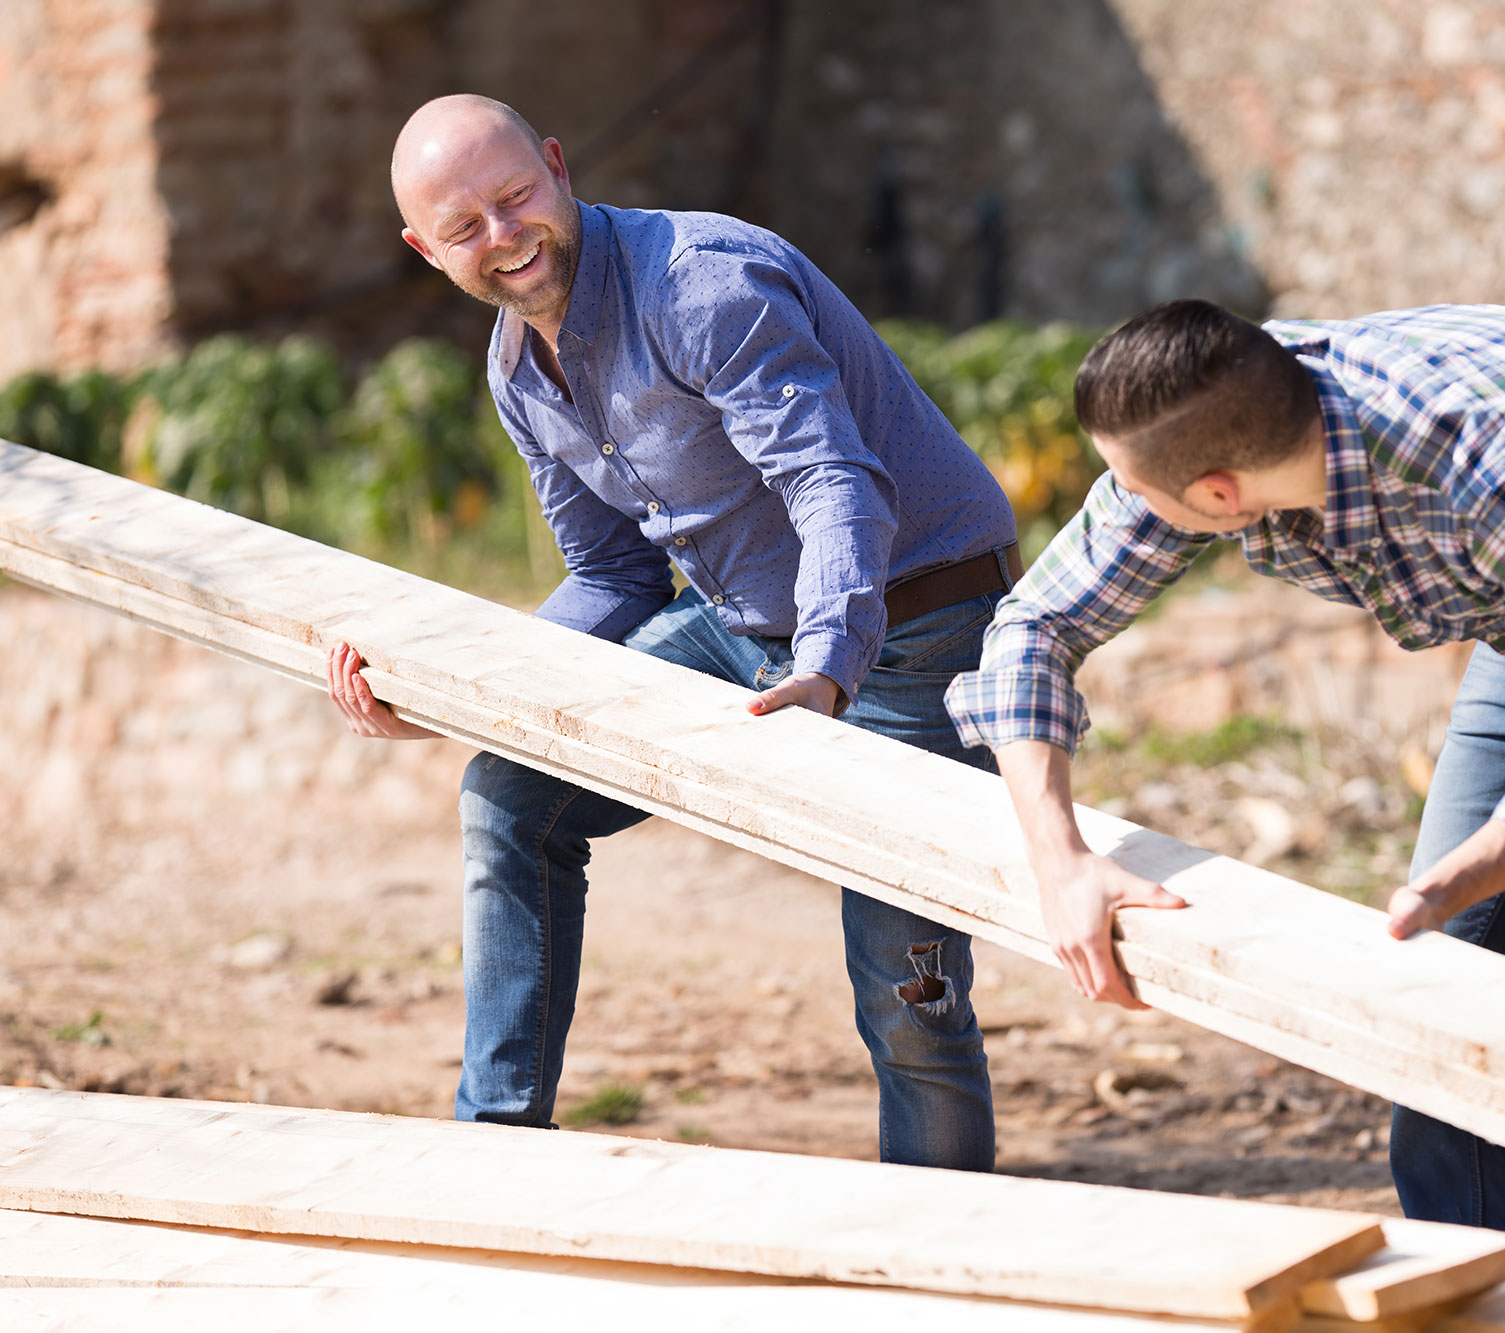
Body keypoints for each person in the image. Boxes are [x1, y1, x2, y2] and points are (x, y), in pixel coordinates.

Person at [945, 298, 1505, 1264]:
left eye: (1124, 480)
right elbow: (1035, 629)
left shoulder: (1501, 464)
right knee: (1439, 980)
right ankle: (1474, 1290)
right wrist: (1063, 860)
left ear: (1217, 494)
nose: (1115, 494)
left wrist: (1456, 880)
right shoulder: (1227, 416)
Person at [325, 94, 1020, 1172]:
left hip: (913, 625)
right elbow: (611, 570)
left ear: (556, 168)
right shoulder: (519, 368)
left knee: (906, 988)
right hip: (742, 628)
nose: (503, 238)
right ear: (424, 249)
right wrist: (450, 689)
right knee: (510, 796)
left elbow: (834, 482)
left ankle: (946, 1256)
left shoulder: (700, 283)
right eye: (463, 227)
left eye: (513, 199)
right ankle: (498, 1154)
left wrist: (828, 669)